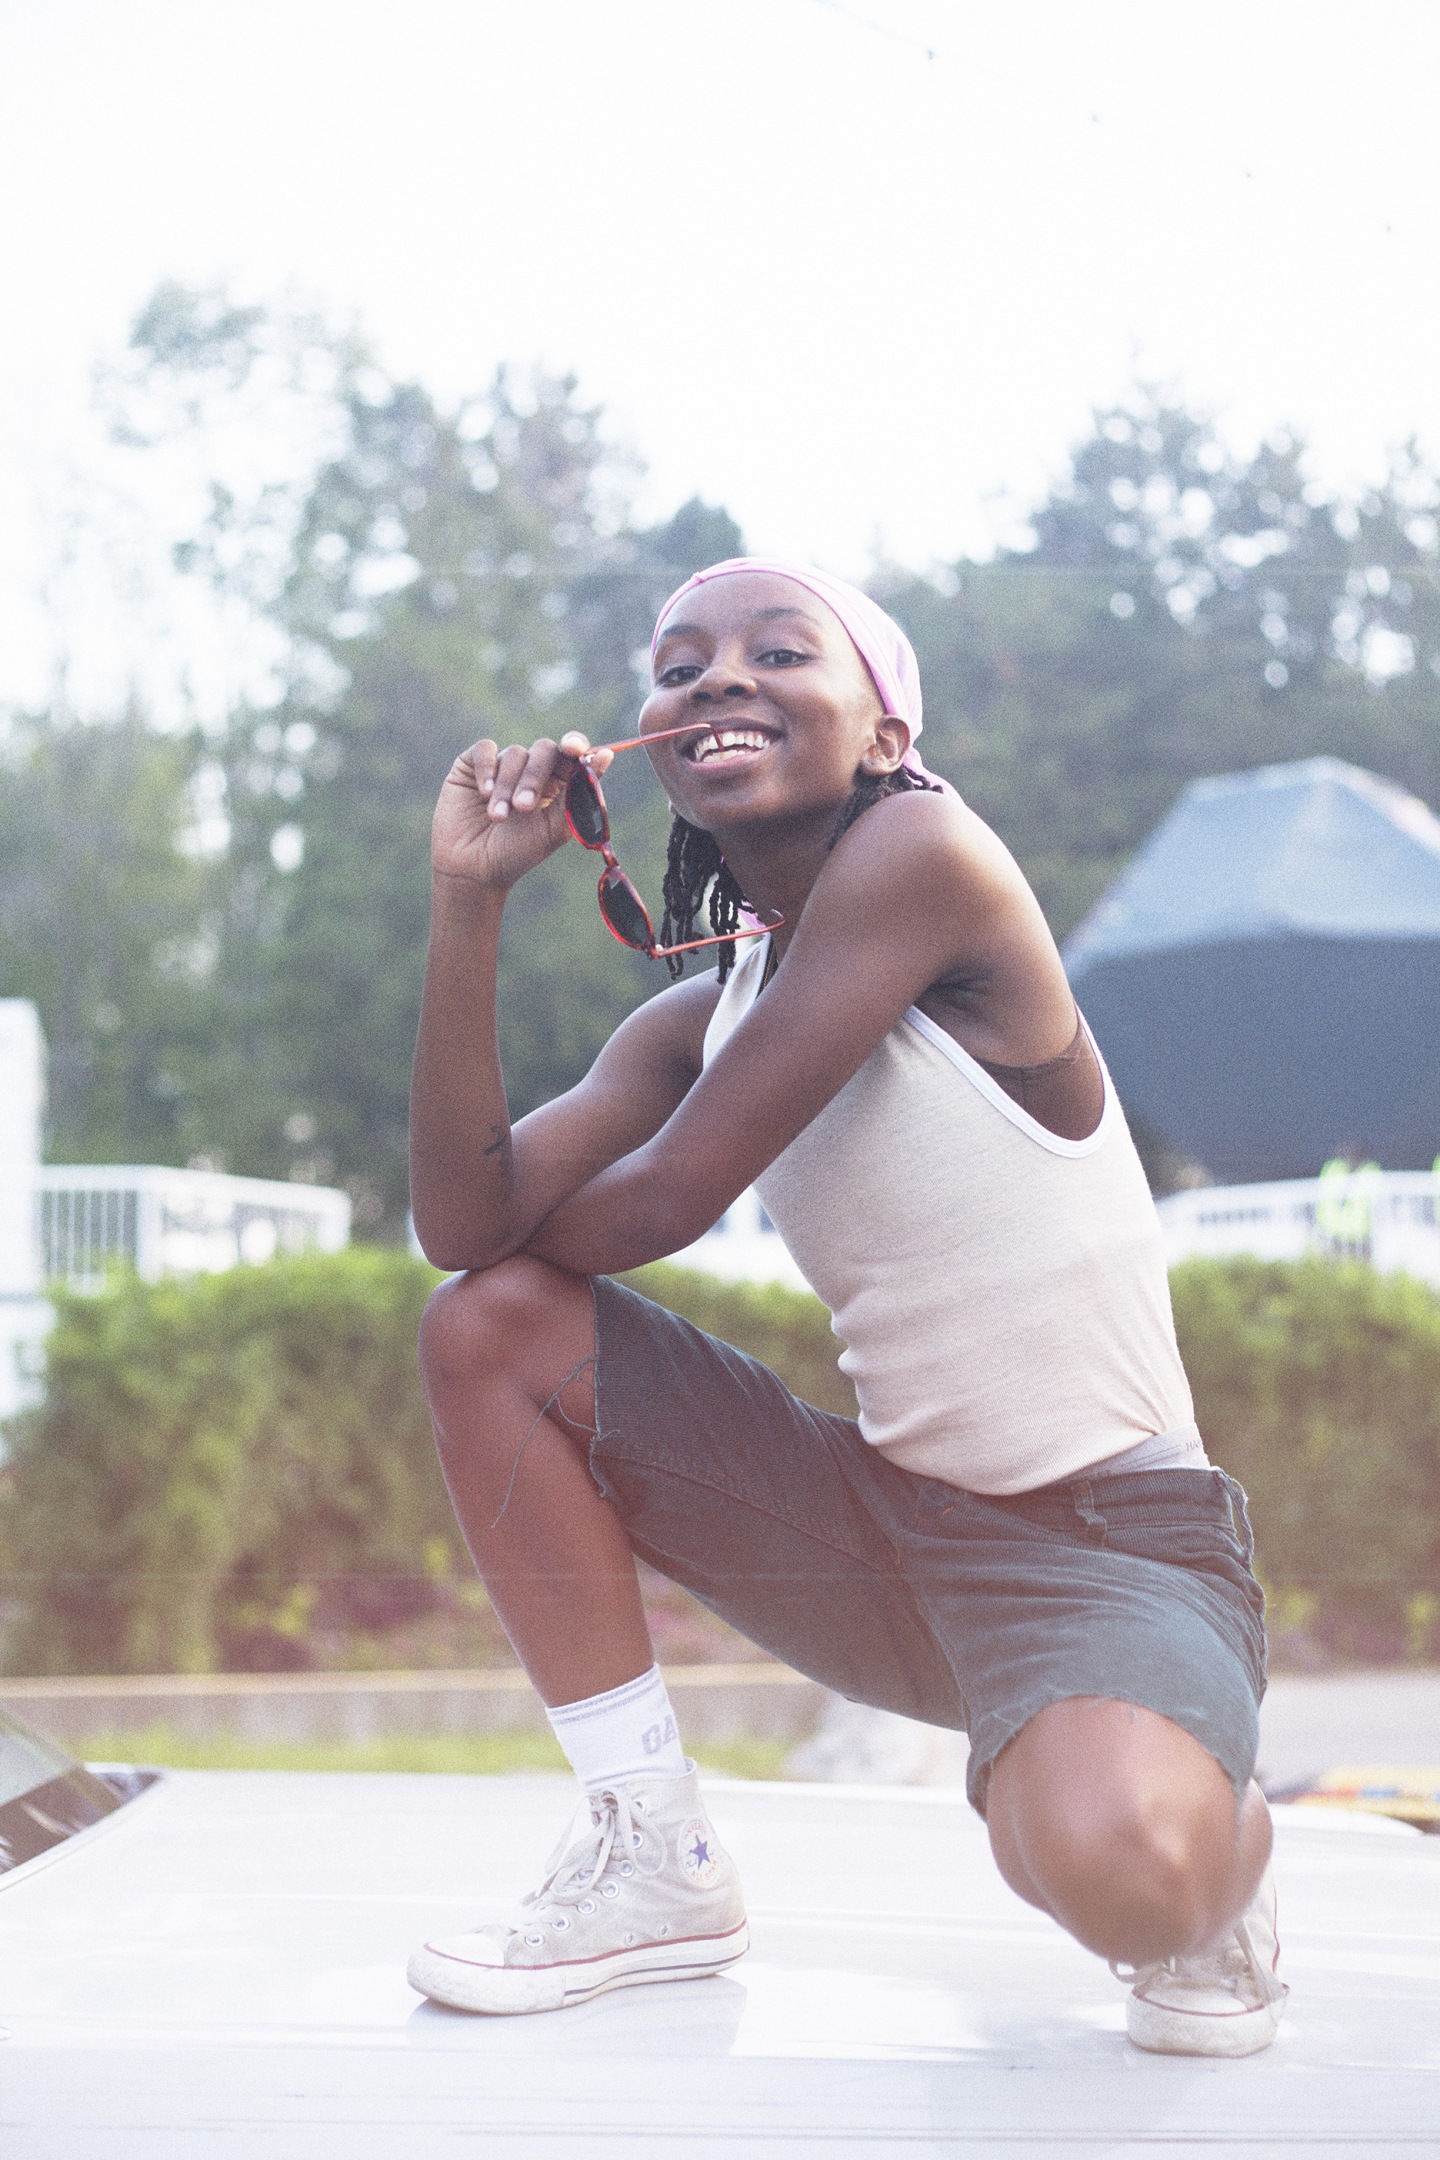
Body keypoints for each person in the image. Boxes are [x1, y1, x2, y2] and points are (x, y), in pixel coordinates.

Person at [405, 558, 1285, 2054]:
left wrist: (517, 1209)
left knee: (1127, 1886)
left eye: (777, 650)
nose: (715, 679)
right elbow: (461, 1233)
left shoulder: (929, 856)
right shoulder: (702, 1011)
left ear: (885, 734)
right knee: (490, 1326)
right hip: (884, 1537)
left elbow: (661, 1202)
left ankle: (1218, 1835)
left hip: (1109, 1552)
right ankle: (654, 1856)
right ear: (649, 746)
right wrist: (468, 901)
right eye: (679, 666)